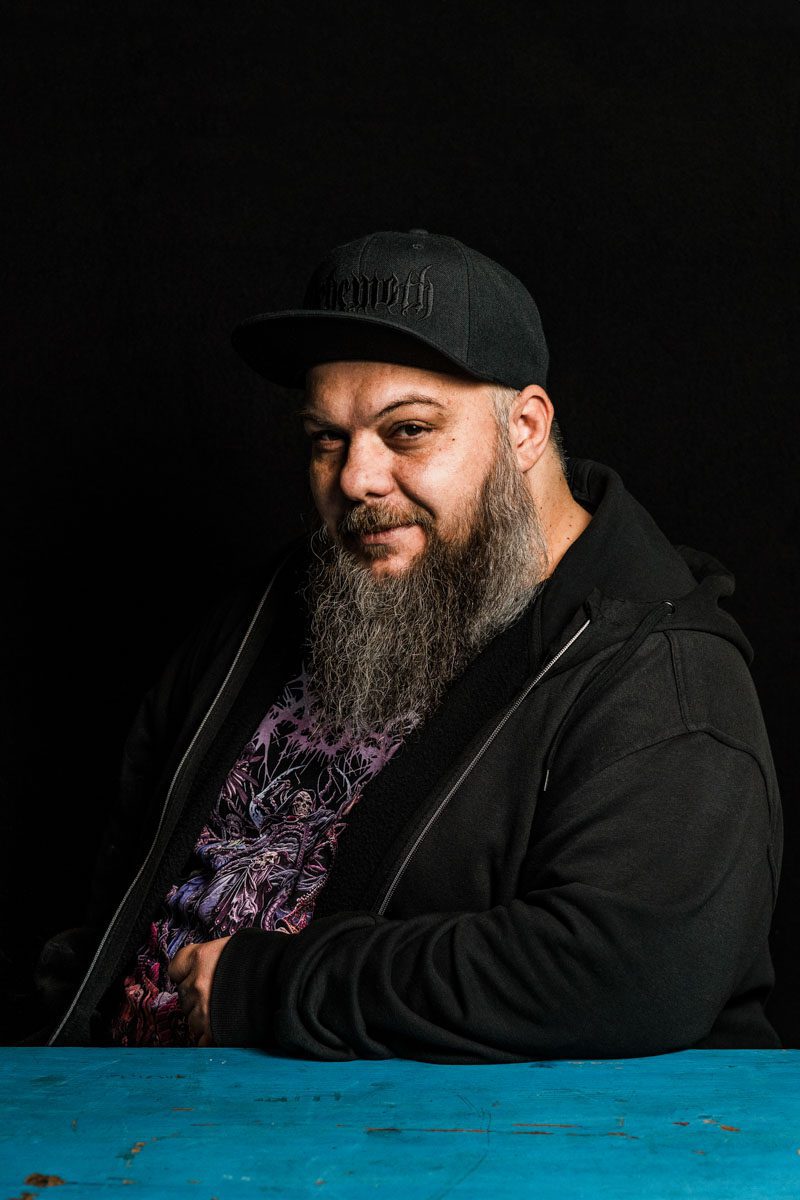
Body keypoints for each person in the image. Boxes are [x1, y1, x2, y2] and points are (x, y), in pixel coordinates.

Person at [30, 229, 782, 1060]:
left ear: (526, 428)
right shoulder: (274, 607)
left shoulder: (661, 673)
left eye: (409, 431)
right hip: (98, 1118)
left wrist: (269, 987)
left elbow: (633, 972)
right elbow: (118, 877)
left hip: (408, 1158)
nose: (355, 478)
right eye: (327, 438)